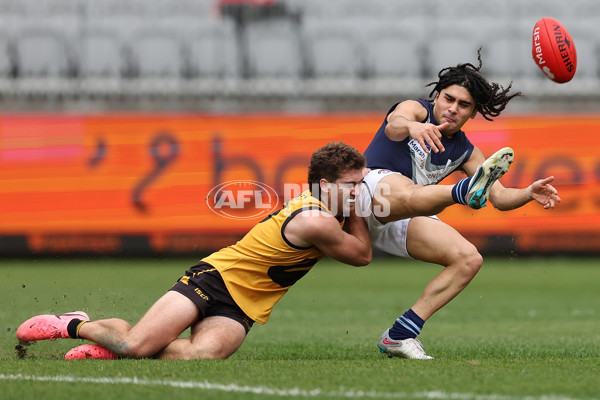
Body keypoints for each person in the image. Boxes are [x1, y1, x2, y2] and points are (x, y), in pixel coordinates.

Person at [16, 141, 372, 360]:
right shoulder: (316, 218)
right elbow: (362, 256)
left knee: (200, 356)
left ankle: (110, 349)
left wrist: (354, 200)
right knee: (136, 347)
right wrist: (360, 208)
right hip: (215, 279)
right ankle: (75, 325)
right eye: (351, 185)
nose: (358, 191)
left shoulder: (328, 206)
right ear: (325, 185)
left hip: (242, 304)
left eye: (361, 184)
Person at [359, 50, 561, 359]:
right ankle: (462, 191)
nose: (453, 108)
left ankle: (400, 335)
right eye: (448, 99)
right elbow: (393, 125)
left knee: (469, 258)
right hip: (365, 196)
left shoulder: (467, 151)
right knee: (412, 193)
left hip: (402, 214)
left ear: (473, 113)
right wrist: (413, 127)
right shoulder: (415, 110)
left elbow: (500, 198)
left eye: (463, 105)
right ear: (437, 96)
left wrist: (528, 193)